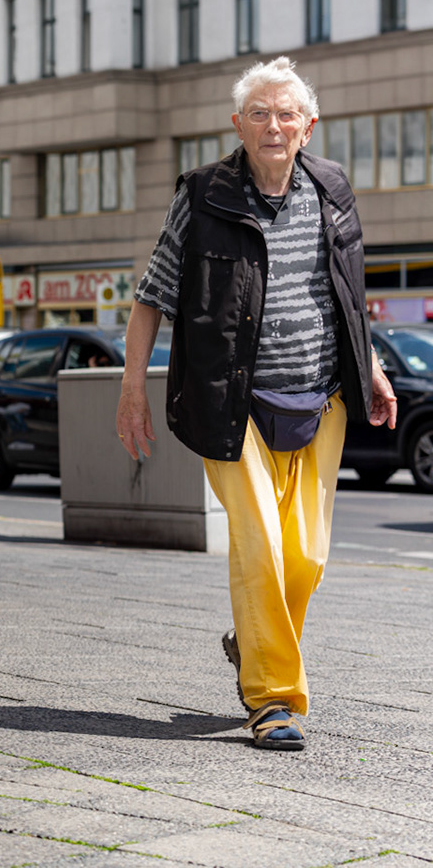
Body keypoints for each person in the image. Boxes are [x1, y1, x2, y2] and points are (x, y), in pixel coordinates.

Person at [115, 57, 396, 752]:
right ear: (238, 124)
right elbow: (153, 294)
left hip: (320, 397)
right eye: (260, 113)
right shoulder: (203, 194)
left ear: (309, 125)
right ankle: (273, 699)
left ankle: (253, 635)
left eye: (287, 113)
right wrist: (131, 387)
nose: (275, 124)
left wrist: (374, 366)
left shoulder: (331, 189)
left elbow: (347, 294)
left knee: (307, 555)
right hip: (230, 400)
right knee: (263, 543)